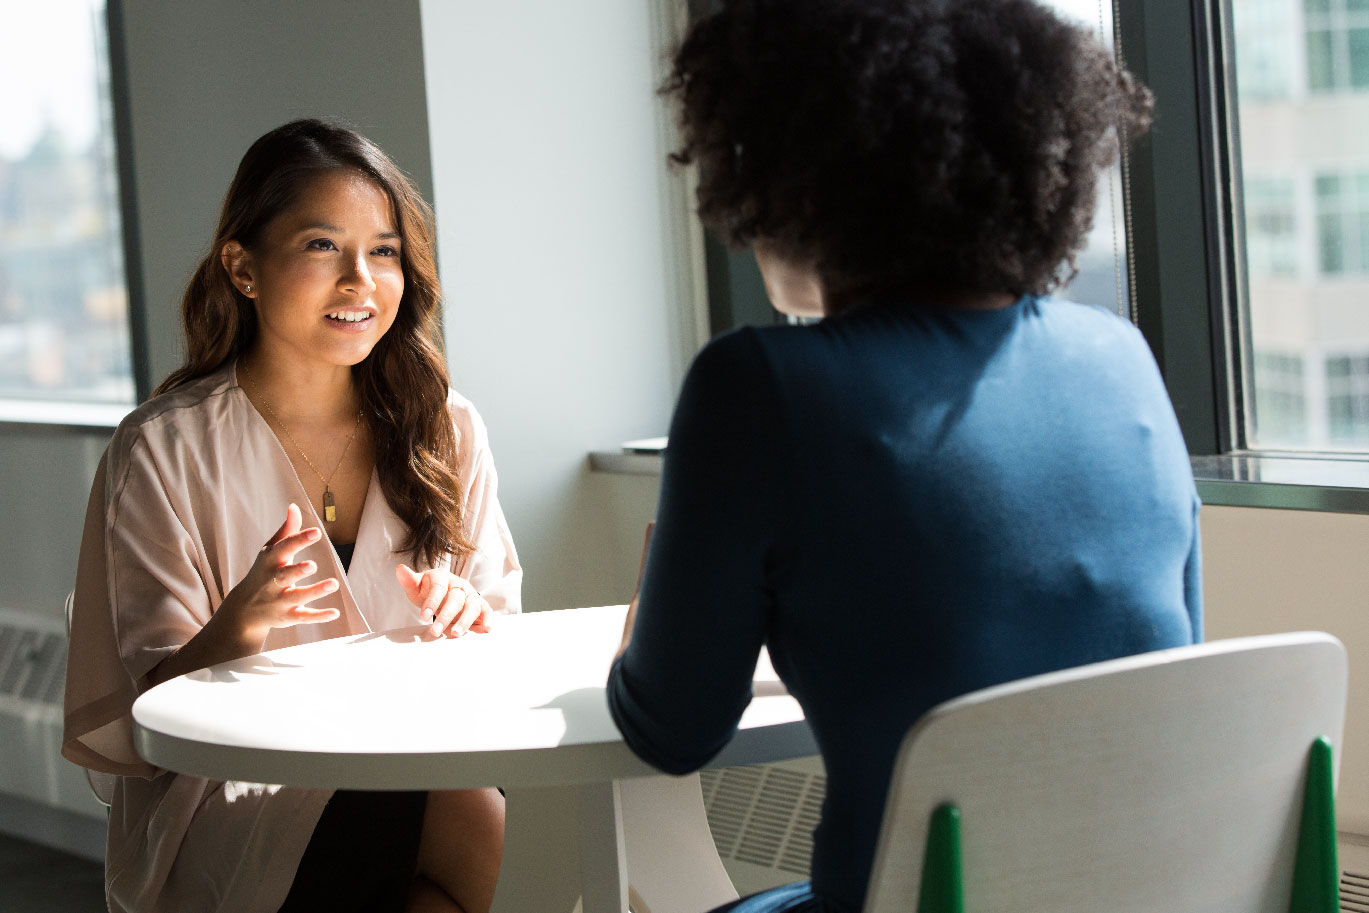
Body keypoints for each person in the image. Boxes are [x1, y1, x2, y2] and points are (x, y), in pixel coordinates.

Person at [606, 2, 1201, 912]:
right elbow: (1170, 663)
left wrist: (651, 617)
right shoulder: (1121, 356)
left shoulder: (761, 384)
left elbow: (672, 729)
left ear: (786, 169)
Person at [62, 119, 521, 913]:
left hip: (411, 757)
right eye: (321, 246)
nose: (361, 281)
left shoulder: (446, 427)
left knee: (452, 839)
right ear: (243, 267)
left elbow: (505, 641)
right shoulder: (163, 449)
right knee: (463, 808)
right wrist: (235, 627)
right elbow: (144, 725)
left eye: (383, 251)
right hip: (229, 796)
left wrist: (470, 614)